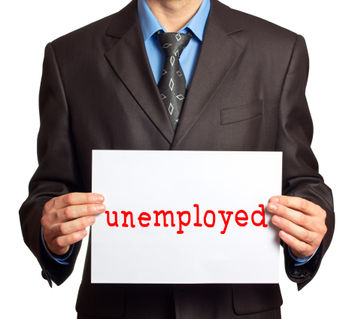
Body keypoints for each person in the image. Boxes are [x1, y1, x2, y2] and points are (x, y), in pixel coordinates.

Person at [19, 0, 334, 318]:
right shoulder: (70, 56)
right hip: (118, 309)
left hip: (238, 309)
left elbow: (302, 180)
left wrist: (307, 230)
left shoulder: (278, 51)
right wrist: (50, 233)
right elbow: (50, 188)